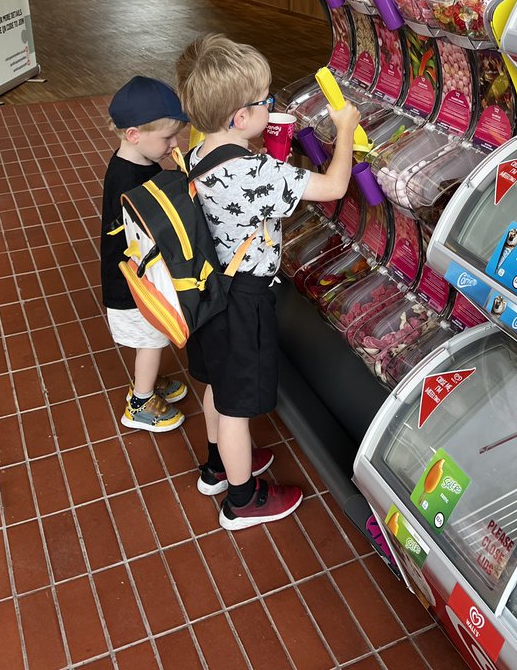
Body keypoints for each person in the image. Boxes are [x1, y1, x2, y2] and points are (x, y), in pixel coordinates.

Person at [178, 34, 360, 531]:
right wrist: (344, 129)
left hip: (209, 292)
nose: (270, 107)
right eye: (265, 102)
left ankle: (218, 465)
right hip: (244, 299)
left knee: (217, 380)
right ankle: (242, 498)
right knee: (238, 403)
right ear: (240, 117)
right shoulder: (256, 171)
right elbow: (335, 186)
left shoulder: (199, 153)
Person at [101, 76, 189, 432]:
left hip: (134, 278)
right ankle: (140, 402)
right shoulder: (130, 182)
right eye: (167, 138)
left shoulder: (134, 163)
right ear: (134, 134)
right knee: (152, 340)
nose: (174, 144)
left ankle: (147, 380)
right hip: (134, 287)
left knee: (151, 340)